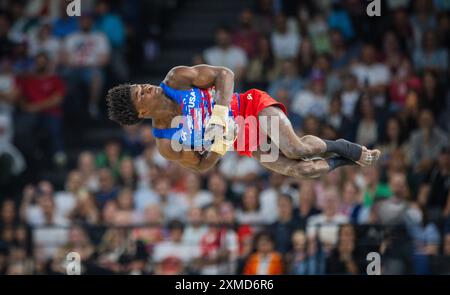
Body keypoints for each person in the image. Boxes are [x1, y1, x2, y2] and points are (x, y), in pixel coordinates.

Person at [106, 65, 380, 179]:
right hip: (242, 138)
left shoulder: (176, 79)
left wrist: (221, 113)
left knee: (297, 149)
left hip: (249, 106)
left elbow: (224, 74)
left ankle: (339, 145)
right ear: (141, 114)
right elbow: (201, 165)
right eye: (141, 94)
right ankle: (345, 158)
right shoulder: (166, 142)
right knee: (303, 171)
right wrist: (221, 145)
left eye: (141, 85)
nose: (146, 88)